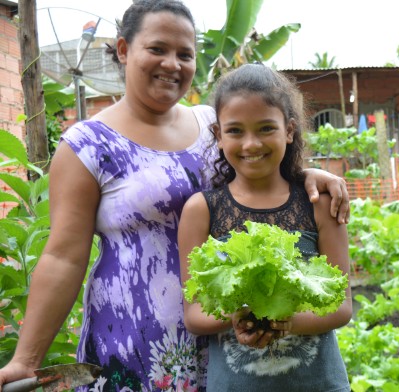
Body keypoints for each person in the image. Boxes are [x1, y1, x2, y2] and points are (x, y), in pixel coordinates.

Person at [0, 1, 349, 391]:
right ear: (123, 49)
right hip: (134, 340)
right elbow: (64, 256)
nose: (172, 64)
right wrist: (25, 359)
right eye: (157, 49)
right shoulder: (88, 145)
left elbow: (259, 167)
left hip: (230, 347)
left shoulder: (209, 124)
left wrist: (306, 175)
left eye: (185, 54)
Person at [178, 64, 352, 391]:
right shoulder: (202, 210)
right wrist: (237, 318)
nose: (251, 144)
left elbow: (341, 307)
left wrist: (279, 323)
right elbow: (194, 314)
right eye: (235, 131)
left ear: (289, 130)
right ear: (218, 136)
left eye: (265, 128)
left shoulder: (318, 204)